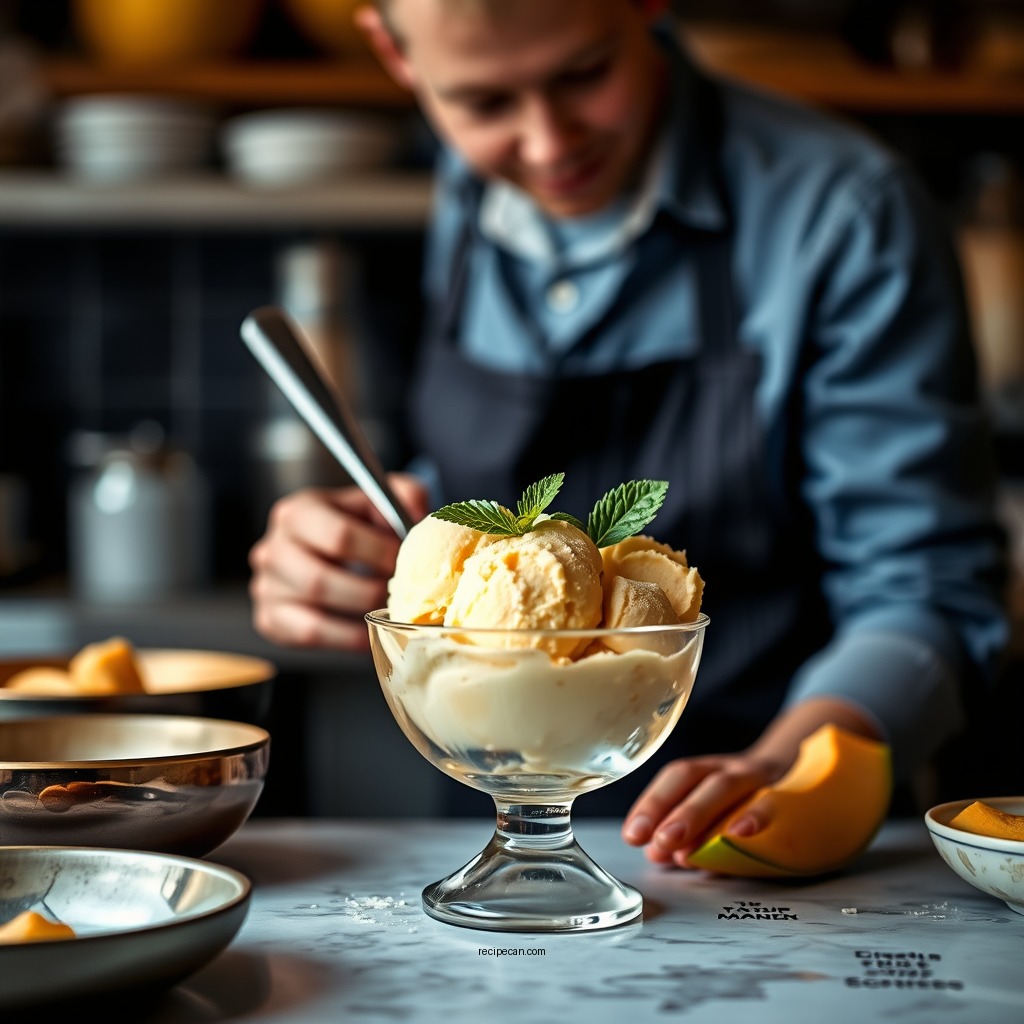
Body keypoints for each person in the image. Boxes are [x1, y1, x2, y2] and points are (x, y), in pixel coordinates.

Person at [248, 0, 1010, 868]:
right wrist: (352, 545)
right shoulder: (471, 190)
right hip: (484, 822)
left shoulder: (846, 213)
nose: (547, 146)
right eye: (483, 104)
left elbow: (925, 588)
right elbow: (475, 475)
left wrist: (789, 762)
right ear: (394, 53)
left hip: (738, 839)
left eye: (583, 75)